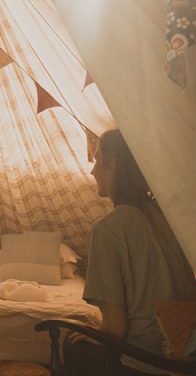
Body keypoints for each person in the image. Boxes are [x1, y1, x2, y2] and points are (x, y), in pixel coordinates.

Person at [63, 129, 196, 376]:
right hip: (185, 353)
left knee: (70, 343)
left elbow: (115, 328)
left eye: (96, 160)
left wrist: (92, 332)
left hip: (145, 361)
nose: (92, 170)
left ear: (112, 165)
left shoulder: (107, 231)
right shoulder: (171, 218)